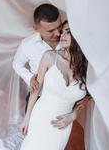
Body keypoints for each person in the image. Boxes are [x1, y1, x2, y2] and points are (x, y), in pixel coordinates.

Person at [12, 3, 84, 129]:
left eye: (59, 26)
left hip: (64, 99)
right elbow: (16, 64)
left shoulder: (71, 39)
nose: (57, 33)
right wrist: (30, 78)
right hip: (38, 96)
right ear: (36, 28)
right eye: (51, 30)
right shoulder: (28, 45)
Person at [19, 21, 89, 150]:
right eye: (62, 32)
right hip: (41, 116)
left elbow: (88, 97)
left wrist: (73, 115)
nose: (62, 35)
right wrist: (27, 117)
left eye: (68, 32)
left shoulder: (87, 68)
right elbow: (35, 89)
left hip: (63, 125)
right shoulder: (50, 57)